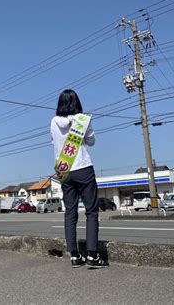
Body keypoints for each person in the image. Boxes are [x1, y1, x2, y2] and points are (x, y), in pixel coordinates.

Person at [50, 89, 106, 269]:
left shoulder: (53, 122)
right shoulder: (82, 120)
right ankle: (92, 254)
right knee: (91, 211)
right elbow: (91, 141)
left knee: (70, 212)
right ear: (77, 103)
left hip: (64, 170)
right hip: (82, 167)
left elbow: (54, 143)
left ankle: (74, 255)